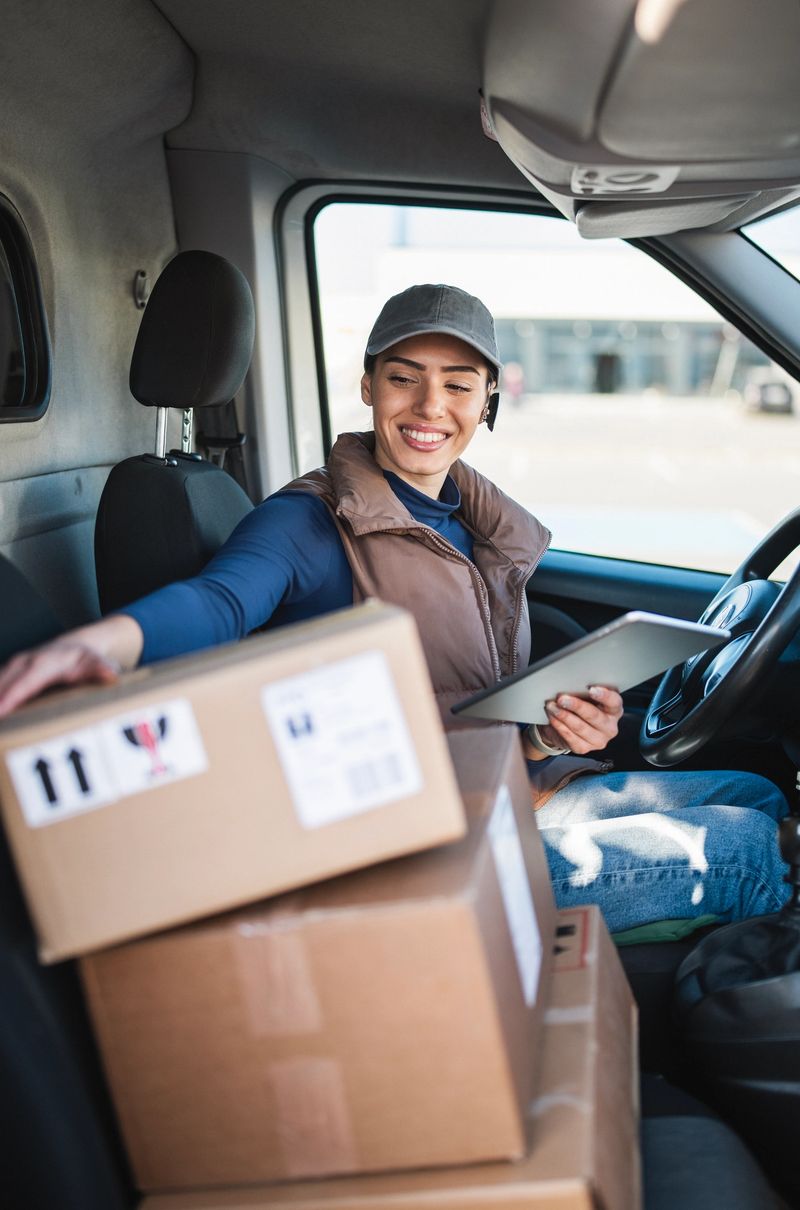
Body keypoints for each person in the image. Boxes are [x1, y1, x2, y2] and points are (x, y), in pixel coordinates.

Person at [0, 284, 789, 933]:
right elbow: (221, 600)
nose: (428, 406)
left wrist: (549, 729)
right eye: (404, 376)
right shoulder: (308, 520)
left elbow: (461, 705)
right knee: (752, 850)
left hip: (501, 789)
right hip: (408, 834)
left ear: (488, 403)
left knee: (756, 794)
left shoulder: (473, 525)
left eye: (457, 384)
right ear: (370, 384)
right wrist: (105, 641)